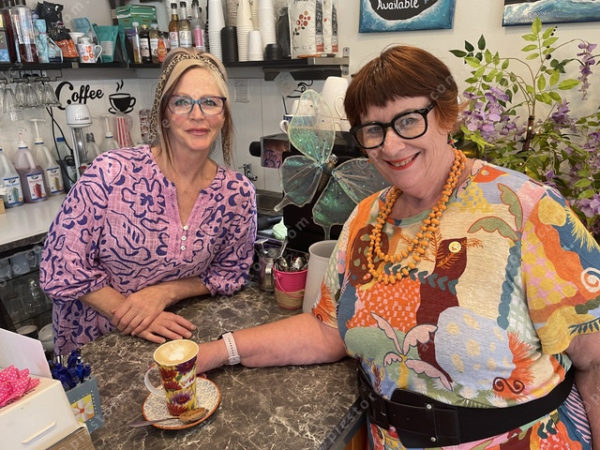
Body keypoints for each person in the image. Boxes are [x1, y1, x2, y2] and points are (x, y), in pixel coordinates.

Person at [195, 45, 599, 448]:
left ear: (446, 115)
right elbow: (326, 330)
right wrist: (217, 351)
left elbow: (595, 361)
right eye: (373, 129)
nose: (390, 146)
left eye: (408, 120)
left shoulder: (527, 210)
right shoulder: (365, 219)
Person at [40, 48, 257, 355]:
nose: (197, 115)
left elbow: (230, 273)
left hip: (176, 342)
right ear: (164, 115)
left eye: (210, 102)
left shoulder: (236, 193)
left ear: (223, 115)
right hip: (93, 348)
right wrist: (130, 313)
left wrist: (165, 293)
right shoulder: (112, 172)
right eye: (182, 102)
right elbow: (60, 265)